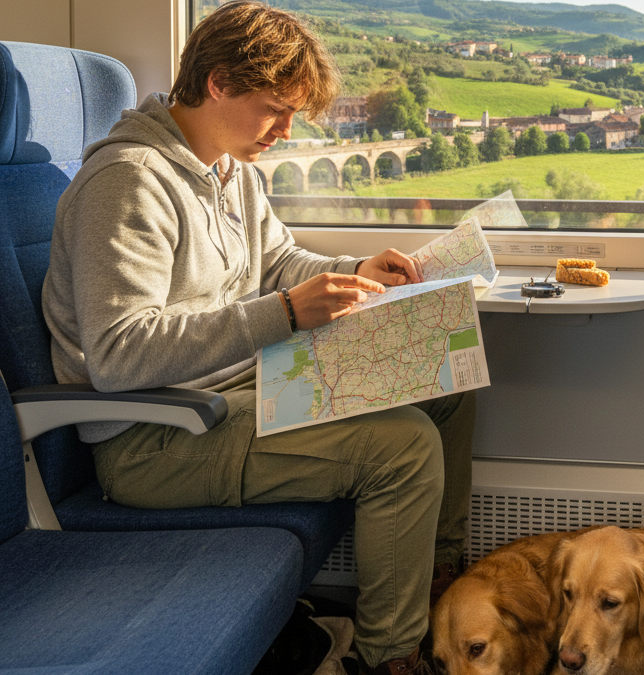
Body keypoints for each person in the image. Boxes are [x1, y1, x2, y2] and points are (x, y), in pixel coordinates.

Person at [40, 2, 472, 673]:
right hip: (157, 435)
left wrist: (353, 272)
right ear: (218, 83)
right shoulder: (127, 182)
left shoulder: (229, 170)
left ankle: (447, 587)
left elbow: (276, 264)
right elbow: (120, 355)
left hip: (237, 387)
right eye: (276, 108)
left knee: (447, 378)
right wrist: (286, 315)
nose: (286, 129)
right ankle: (391, 657)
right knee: (404, 447)